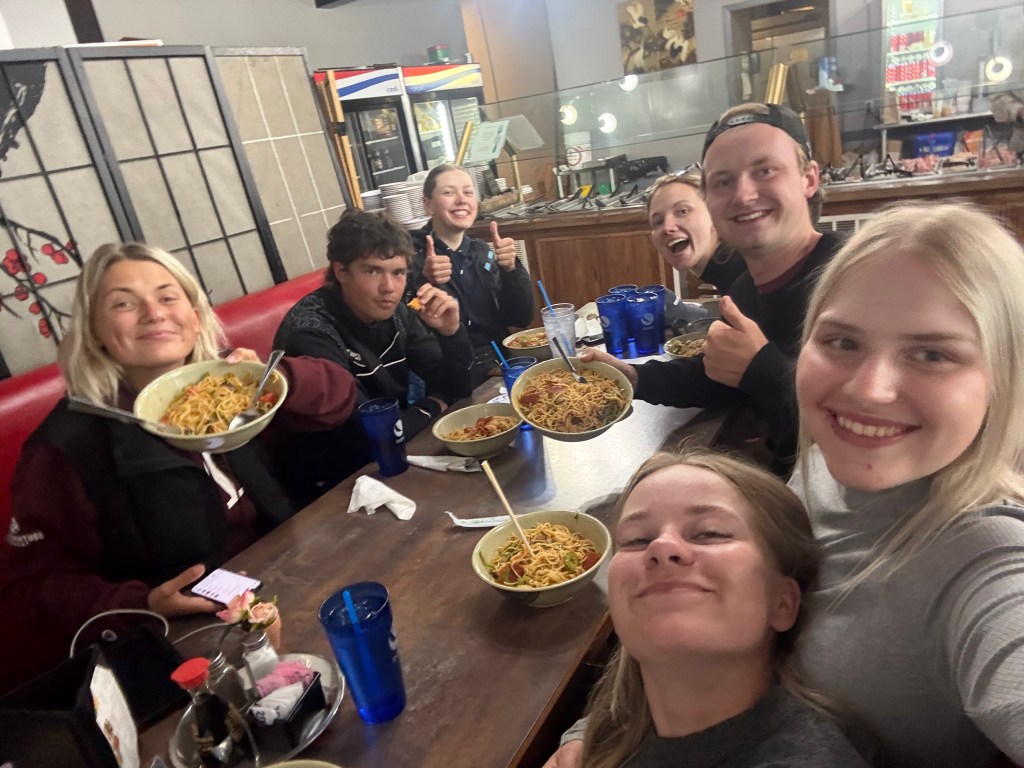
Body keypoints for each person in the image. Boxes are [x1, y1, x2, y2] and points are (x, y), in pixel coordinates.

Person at [0, 242, 356, 692]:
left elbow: (339, 397)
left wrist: (276, 379)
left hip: (285, 584)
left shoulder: (229, 384)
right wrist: (142, 603)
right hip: (182, 652)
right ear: (94, 331)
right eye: (124, 303)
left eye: (169, 297)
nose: (154, 313)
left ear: (195, 314)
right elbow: (29, 590)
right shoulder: (67, 445)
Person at [792, 200, 1024, 767]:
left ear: (1004, 376)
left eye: (931, 354)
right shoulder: (822, 464)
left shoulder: (989, 560)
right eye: (843, 342)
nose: (868, 390)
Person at [581, 102, 843, 475]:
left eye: (764, 171)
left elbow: (853, 440)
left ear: (809, 179)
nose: (743, 195)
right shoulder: (745, 290)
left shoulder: (855, 278)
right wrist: (633, 378)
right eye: (723, 181)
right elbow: (718, 376)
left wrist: (761, 367)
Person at [579, 449, 868, 768]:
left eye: (710, 533)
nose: (661, 546)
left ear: (783, 603)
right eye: (637, 540)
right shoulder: (608, 739)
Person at [273, 208, 474, 505]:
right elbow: (368, 438)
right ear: (341, 271)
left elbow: (458, 388)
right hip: (332, 488)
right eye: (372, 271)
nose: (389, 288)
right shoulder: (311, 333)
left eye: (398, 273)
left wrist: (451, 333)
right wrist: (432, 404)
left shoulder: (398, 313)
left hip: (391, 462)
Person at [407, 163, 535, 386]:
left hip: (499, 361)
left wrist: (511, 270)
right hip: (447, 372)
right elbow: (402, 325)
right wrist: (423, 280)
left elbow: (521, 318)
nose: (461, 200)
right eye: (449, 193)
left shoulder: (481, 251)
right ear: (428, 205)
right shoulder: (409, 257)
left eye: (468, 192)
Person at [645, 170, 744, 296]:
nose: (667, 227)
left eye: (682, 211)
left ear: (715, 214)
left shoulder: (746, 275)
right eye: (658, 222)